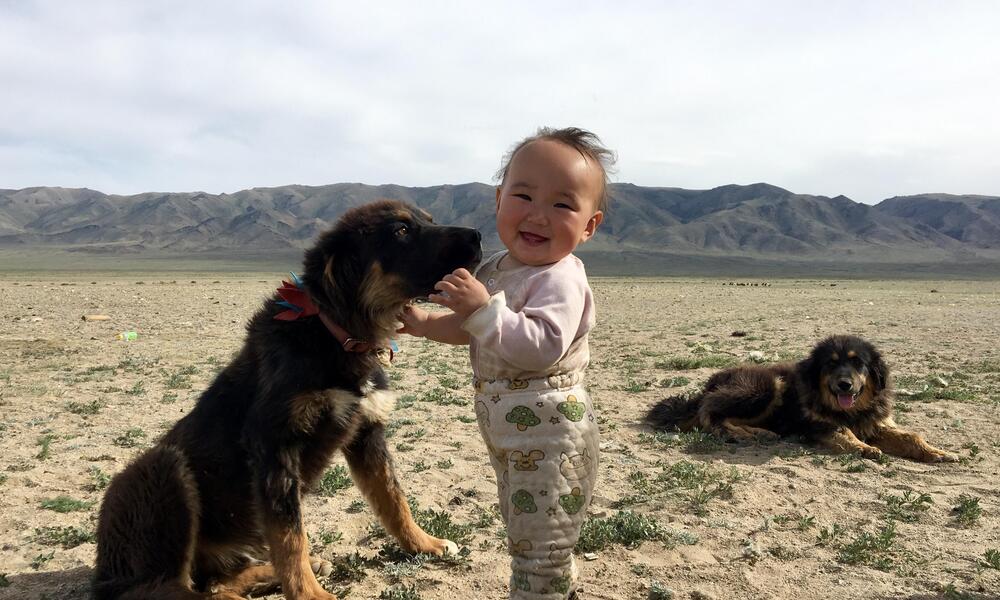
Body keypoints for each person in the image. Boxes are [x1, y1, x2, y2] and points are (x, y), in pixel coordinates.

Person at [398, 127, 614, 599]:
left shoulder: (561, 278)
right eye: (523, 195)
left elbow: (540, 346)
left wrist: (481, 309)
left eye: (562, 204)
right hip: (510, 434)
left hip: (555, 434)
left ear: (589, 226)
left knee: (541, 546)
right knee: (527, 526)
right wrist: (423, 322)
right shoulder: (495, 268)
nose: (538, 215)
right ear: (498, 200)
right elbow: (471, 330)